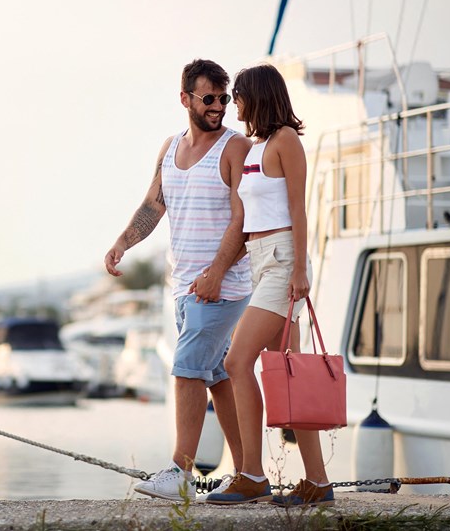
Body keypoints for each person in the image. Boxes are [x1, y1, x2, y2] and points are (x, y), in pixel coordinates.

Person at [104, 58, 252, 502]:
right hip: (184, 286)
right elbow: (154, 205)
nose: (218, 107)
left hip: (221, 287)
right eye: (209, 98)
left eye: (223, 99)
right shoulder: (170, 148)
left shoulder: (234, 148)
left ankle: (180, 471)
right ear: (185, 98)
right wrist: (123, 242)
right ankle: (248, 473)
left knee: (187, 372)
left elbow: (245, 220)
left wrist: (217, 272)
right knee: (218, 378)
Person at [204, 63, 333, 507]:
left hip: (283, 262)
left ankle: (252, 474)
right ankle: (317, 482)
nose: (233, 103)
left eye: (237, 95)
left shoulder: (285, 141)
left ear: (257, 94)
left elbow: (299, 211)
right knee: (289, 373)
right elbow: (252, 220)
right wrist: (220, 268)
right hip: (262, 259)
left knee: (237, 361)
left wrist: (299, 270)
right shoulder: (256, 146)